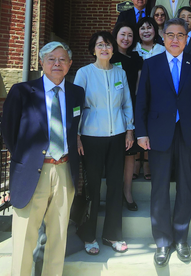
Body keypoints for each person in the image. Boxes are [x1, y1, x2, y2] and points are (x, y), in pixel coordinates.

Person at [2, 41, 85, 276]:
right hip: (33, 172)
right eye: (51, 59)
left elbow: (74, 128)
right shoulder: (22, 92)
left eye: (62, 60)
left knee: (58, 238)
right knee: (24, 238)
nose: (57, 63)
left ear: (69, 65)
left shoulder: (77, 93)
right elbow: (9, 132)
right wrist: (25, 161)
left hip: (64, 170)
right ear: (41, 63)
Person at [136, 18, 191, 267]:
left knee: (186, 186)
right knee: (159, 189)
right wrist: (141, 132)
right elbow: (141, 102)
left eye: (181, 35)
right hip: (158, 133)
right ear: (162, 37)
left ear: (187, 38)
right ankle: (162, 242)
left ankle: (181, 238)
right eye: (171, 35)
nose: (176, 39)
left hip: (189, 132)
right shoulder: (151, 64)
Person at [74, 31, 135, 255]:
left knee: (115, 185)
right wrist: (77, 135)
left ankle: (112, 234)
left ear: (113, 49)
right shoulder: (84, 73)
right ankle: (88, 234)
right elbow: (76, 106)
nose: (104, 49)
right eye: (100, 45)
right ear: (93, 49)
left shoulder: (120, 73)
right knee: (92, 187)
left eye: (108, 45)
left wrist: (129, 130)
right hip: (91, 136)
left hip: (117, 135)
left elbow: (127, 103)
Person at [111, 22, 144, 211]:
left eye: (130, 35)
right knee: (116, 152)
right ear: (116, 36)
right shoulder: (109, 56)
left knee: (130, 152)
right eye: (123, 34)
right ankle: (114, 194)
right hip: (112, 108)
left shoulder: (136, 58)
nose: (126, 38)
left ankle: (128, 193)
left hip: (131, 106)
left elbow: (139, 85)